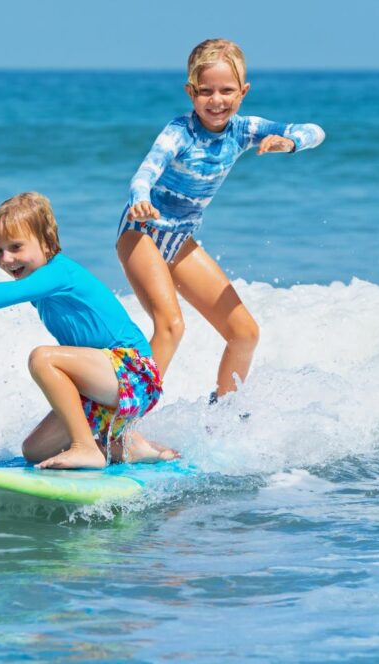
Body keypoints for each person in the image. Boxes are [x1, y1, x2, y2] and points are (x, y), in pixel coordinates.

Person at [0, 192, 177, 469]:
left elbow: (11, 292)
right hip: (104, 384)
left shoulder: (59, 273)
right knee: (35, 450)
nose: (6, 258)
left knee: (43, 358)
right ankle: (130, 447)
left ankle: (86, 449)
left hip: (135, 373)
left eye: (16, 247)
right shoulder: (40, 285)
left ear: (47, 243)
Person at [117, 38, 325, 400]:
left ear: (243, 92)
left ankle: (222, 421)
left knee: (244, 333)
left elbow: (314, 131)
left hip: (178, 241)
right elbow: (145, 173)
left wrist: (289, 143)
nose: (217, 100)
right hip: (142, 233)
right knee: (171, 327)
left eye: (227, 90)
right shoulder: (179, 131)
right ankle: (119, 420)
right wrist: (140, 200)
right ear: (190, 92)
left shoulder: (243, 130)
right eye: (206, 91)